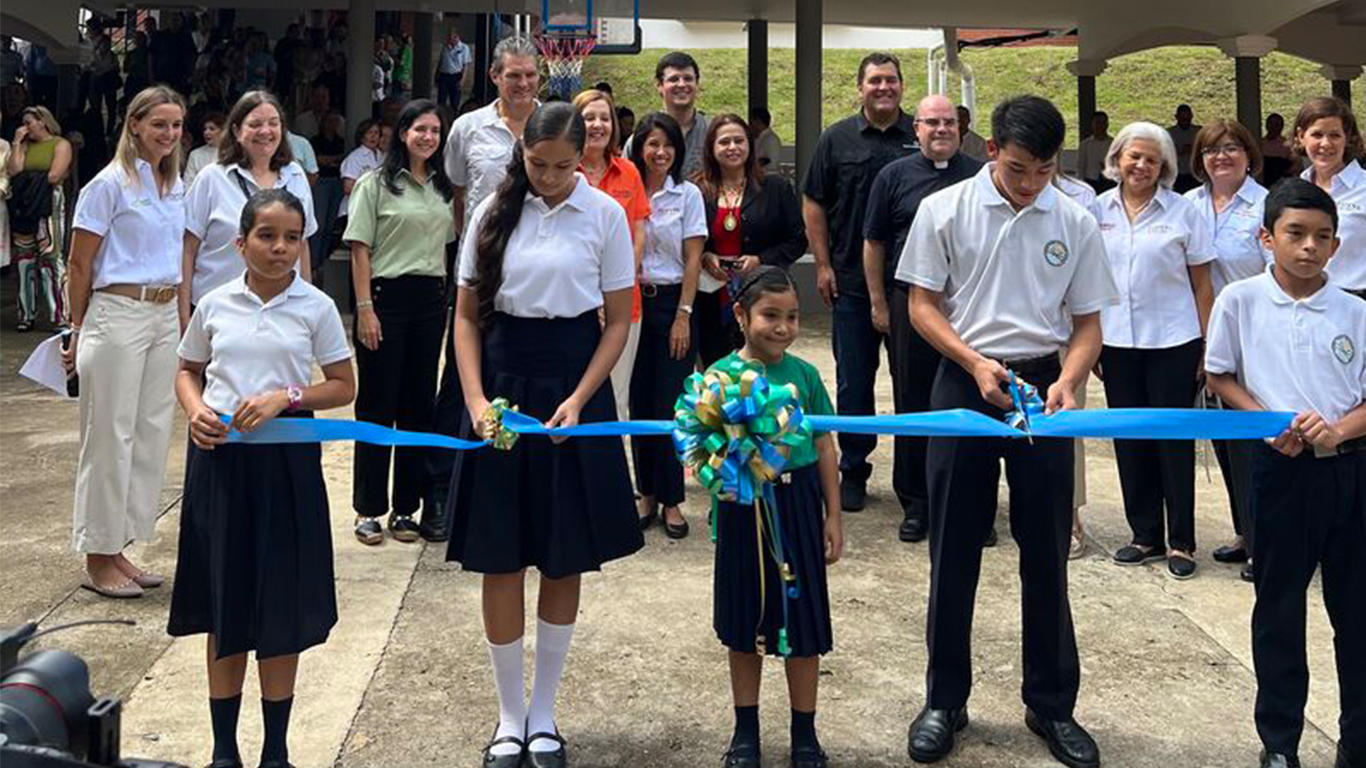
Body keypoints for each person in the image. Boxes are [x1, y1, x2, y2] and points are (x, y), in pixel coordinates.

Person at [899, 95, 1117, 767]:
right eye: (1019, 169)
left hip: (1043, 391)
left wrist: (1071, 380)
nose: (1029, 184)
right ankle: (945, 700)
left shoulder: (1074, 220)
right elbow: (922, 306)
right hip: (964, 383)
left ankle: (1051, 704)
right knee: (954, 544)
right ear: (991, 150)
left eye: (1044, 171)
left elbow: (1087, 324)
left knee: (1046, 548)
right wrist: (971, 361)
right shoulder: (945, 210)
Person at [447, 102, 643, 768]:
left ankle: (545, 714)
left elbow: (616, 321)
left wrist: (581, 399)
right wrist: (475, 400)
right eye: (539, 165)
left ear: (584, 155)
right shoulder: (492, 213)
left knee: (562, 554)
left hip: (571, 382)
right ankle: (507, 718)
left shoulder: (606, 215)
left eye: (565, 165)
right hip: (501, 385)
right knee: (501, 553)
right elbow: (468, 318)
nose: (552, 177)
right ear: (522, 153)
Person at [169, 188, 355, 768]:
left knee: (281, 605)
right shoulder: (216, 304)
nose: (279, 249)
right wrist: (195, 410)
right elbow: (187, 370)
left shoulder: (316, 307)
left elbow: (344, 386)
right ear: (240, 242)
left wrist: (287, 396)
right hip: (220, 464)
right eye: (266, 236)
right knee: (223, 605)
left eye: (292, 238)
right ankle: (224, 751)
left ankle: (276, 750)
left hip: (287, 468)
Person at [1204, 178, 1366, 768]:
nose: (1308, 247)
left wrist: (1340, 430)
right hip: (1279, 474)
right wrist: (1266, 423)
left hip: (1350, 474)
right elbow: (1220, 375)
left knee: (1356, 613)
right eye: (1295, 234)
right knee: (1279, 609)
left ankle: (1357, 741)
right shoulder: (1240, 301)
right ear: (1266, 237)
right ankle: (1280, 742)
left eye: (1322, 237)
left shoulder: (1354, 309)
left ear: (1337, 245)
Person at [709, 266, 843, 768]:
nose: (783, 327)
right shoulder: (718, 376)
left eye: (791, 316)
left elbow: (826, 443)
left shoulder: (805, 376)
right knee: (745, 622)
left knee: (801, 624)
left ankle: (804, 734)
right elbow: (703, 451)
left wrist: (833, 514)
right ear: (742, 315)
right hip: (742, 507)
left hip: (799, 502)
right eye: (770, 315)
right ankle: (746, 732)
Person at [59, 86, 186, 598]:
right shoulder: (107, 184)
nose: (169, 134)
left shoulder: (173, 183)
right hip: (117, 311)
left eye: (176, 126)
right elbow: (78, 263)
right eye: (159, 124)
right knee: (108, 437)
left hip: (163, 315)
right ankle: (97, 554)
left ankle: (120, 546)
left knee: (149, 434)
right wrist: (76, 326)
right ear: (134, 124)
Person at [430, 36, 541, 536]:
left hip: (539, 269)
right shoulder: (467, 128)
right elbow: (459, 192)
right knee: (461, 380)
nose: (522, 84)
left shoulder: (554, 121)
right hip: (482, 268)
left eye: (530, 75)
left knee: (525, 374)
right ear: (494, 76)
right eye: (512, 75)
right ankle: (443, 490)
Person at [1095, 121, 1214, 580]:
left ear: (1164, 165)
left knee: (1174, 440)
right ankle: (1144, 534)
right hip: (1116, 341)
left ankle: (1181, 540)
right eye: (1133, 156)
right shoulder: (1098, 210)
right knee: (1130, 437)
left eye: (1151, 159)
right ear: (1117, 160)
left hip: (1174, 341)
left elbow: (1202, 285)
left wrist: (1208, 345)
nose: (1141, 165)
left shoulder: (1183, 212)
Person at [862, 93, 982, 544]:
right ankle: (916, 502)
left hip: (967, 305)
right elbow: (873, 243)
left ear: (961, 128)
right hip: (909, 302)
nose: (941, 130)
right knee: (913, 399)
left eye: (949, 122)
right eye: (931, 123)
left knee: (969, 400)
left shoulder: (980, 177)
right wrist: (877, 303)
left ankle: (970, 504)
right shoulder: (892, 177)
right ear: (917, 129)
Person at [803, 51, 915, 511]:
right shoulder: (836, 140)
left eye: (891, 80)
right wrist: (823, 264)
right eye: (874, 81)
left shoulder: (922, 136)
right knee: (854, 382)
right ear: (860, 87)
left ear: (902, 86)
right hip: (849, 280)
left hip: (913, 284)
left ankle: (914, 479)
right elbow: (814, 202)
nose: (883, 88)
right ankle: (853, 469)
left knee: (912, 384)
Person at [344, 99, 455, 546]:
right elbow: (359, 249)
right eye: (420, 129)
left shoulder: (442, 189)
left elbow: (448, 246)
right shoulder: (375, 185)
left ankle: (405, 508)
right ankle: (368, 509)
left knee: (417, 406)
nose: (428, 137)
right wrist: (365, 307)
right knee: (376, 404)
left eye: (435, 131)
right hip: (384, 301)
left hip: (430, 302)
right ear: (402, 132)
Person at [1184, 119, 1269, 583]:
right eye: (1213, 149)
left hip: (1253, 337)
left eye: (1233, 148)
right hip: (1205, 337)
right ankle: (1243, 531)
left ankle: (1264, 541)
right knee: (1225, 441)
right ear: (1200, 159)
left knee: (1255, 443)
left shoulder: (1264, 205)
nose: (1222, 156)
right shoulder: (1187, 206)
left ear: (1249, 155)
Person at [628, 112, 706, 537]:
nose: (660, 153)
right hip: (634, 303)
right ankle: (646, 493)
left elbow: (694, 257)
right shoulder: (629, 188)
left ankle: (673, 498)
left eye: (668, 145)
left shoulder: (688, 194)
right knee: (640, 401)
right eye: (652, 144)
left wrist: (684, 315)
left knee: (672, 403)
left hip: (673, 303)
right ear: (639, 147)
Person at [181, 90, 317, 329]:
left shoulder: (295, 176)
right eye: (255, 124)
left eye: (273, 124)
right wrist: (183, 318)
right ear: (236, 130)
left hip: (283, 312)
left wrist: (307, 307)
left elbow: (303, 246)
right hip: (218, 315)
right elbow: (187, 250)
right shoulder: (212, 178)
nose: (265, 131)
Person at [694, 113, 806, 368]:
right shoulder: (697, 190)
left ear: (750, 145)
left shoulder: (775, 188)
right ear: (711, 148)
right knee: (716, 372)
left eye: (739, 141)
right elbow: (688, 241)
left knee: (759, 372)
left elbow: (797, 240)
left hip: (761, 298)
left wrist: (761, 260)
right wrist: (705, 256)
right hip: (712, 298)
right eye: (724, 142)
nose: (732, 147)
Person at [573, 89, 649, 423]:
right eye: (589, 118)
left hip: (623, 305)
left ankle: (609, 474)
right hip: (574, 302)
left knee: (615, 399)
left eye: (605, 118)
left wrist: (611, 294)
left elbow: (638, 235)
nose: (598, 125)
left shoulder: (629, 172)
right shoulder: (562, 171)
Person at [7, 105, 72, 331]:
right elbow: (14, 170)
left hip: (48, 204)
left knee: (51, 259)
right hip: (25, 204)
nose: (25, 128)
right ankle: (26, 314)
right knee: (24, 259)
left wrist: (30, 175)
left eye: (29, 123)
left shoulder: (60, 144)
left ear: (42, 121)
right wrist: (17, 142)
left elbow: (55, 175)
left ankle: (60, 314)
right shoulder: (24, 145)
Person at [1294, 96, 1366, 300]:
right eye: (1317, 134)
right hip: (1303, 302)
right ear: (1301, 136)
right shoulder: (1295, 190)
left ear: (1348, 138)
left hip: (1358, 304)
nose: (1325, 144)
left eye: (1334, 135)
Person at [653, 51, 709, 176]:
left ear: (697, 84)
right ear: (659, 85)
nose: (682, 84)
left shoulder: (712, 133)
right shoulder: (643, 137)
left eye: (688, 79)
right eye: (674, 79)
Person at [308, 112, 347, 278]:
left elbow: (342, 159)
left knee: (331, 224)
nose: (333, 124)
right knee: (319, 223)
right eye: (330, 120)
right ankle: (313, 263)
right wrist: (330, 160)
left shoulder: (341, 141)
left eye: (335, 121)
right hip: (321, 182)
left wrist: (328, 160)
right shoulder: (315, 140)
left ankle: (323, 260)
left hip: (336, 181)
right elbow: (318, 161)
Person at [338, 118, 384, 221]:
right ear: (362, 136)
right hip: (354, 210)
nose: (373, 136)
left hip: (374, 209)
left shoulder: (381, 156)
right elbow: (348, 188)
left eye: (376, 133)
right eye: (369, 133)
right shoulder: (355, 157)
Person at [183, 111, 224, 186]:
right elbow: (188, 182)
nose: (206, 132)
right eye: (205, 129)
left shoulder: (231, 153)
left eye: (212, 129)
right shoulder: (195, 154)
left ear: (223, 131)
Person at [1168, 103, 1202, 193]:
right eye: (1183, 119)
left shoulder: (1199, 132)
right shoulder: (1169, 133)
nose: (1185, 121)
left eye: (1187, 119)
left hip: (1195, 174)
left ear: (1191, 116)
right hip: (1177, 174)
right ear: (1176, 117)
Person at [1261, 112, 1300, 188]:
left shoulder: (1288, 145)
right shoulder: (1259, 144)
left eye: (1277, 124)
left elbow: (1297, 165)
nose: (1273, 127)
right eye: (1271, 124)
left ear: (1281, 126)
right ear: (1266, 125)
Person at [1077, 111, 1113, 193]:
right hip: (1090, 181)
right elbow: (1081, 166)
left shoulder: (1113, 143)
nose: (1100, 126)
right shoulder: (1085, 144)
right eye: (1097, 122)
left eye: (1103, 123)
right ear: (1092, 124)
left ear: (1107, 125)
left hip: (1109, 182)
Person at [437, 27, 472, 109]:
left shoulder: (464, 48)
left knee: (454, 101)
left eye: (452, 37)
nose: (450, 39)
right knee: (441, 100)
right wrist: (437, 75)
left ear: (457, 37)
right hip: (444, 75)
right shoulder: (445, 47)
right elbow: (441, 62)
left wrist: (462, 80)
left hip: (455, 76)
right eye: (449, 37)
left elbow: (465, 65)